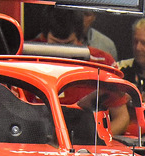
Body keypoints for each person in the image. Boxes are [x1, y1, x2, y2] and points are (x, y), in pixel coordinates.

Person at [41, 8, 130, 136]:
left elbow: (122, 118)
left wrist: (97, 140)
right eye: (55, 44)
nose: (62, 52)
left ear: (79, 38)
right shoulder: (26, 60)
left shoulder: (102, 62)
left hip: (89, 146)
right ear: (44, 37)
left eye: (69, 44)